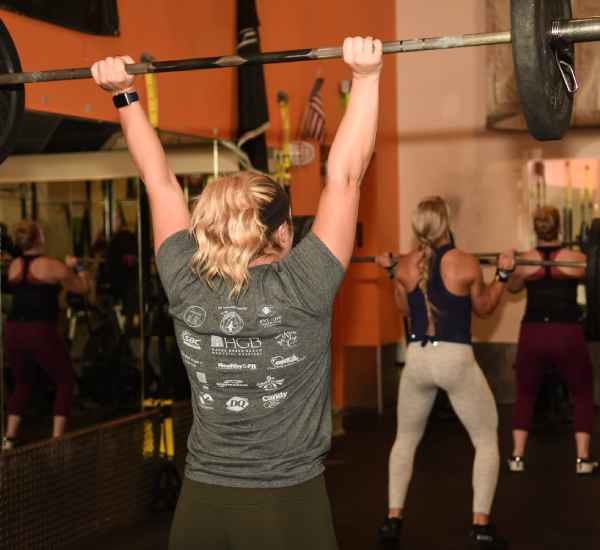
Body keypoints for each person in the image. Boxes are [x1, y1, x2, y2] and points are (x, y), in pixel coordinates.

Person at [91, 35, 382, 550]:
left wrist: (124, 93)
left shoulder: (184, 277)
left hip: (201, 505)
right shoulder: (305, 285)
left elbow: (158, 182)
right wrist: (366, 78)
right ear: (284, 231)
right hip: (286, 505)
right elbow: (346, 176)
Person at [375, 197, 514, 549]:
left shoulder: (406, 265)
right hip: (455, 359)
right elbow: (483, 308)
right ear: (445, 223)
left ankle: (393, 520)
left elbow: (402, 308)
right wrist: (503, 275)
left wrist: (391, 271)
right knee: (485, 440)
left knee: (405, 440)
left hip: (418, 358)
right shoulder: (465, 262)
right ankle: (481, 525)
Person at [506, 206, 597, 475]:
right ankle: (582, 459)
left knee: (525, 393)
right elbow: (592, 273)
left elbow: (511, 287)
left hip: (533, 331)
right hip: (566, 332)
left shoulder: (525, 261)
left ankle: (517, 457)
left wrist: (512, 264)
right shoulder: (575, 258)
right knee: (582, 391)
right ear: (559, 228)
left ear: (536, 229)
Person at [2, 220, 89, 450]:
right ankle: (57, 440)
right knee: (64, 380)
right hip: (38, 330)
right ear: (39, 238)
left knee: (22, 382)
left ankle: (9, 437)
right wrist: (78, 265)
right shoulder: (51, 266)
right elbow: (82, 287)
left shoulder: (14, 266)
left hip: (12, 331)